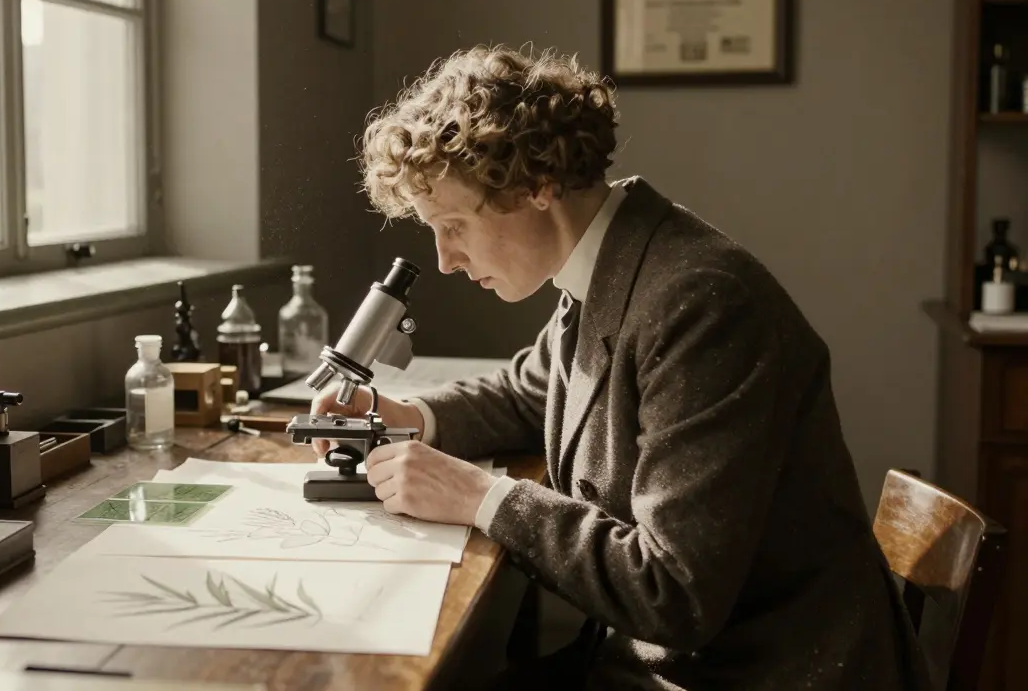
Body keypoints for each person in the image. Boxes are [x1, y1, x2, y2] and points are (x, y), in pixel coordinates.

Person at [309, 44, 932, 690]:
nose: (445, 259)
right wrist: (409, 415)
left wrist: (479, 497)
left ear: (535, 185)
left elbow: (674, 590)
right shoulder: (617, 262)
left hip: (762, 671)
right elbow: (532, 392)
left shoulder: (699, 302)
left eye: (454, 224)